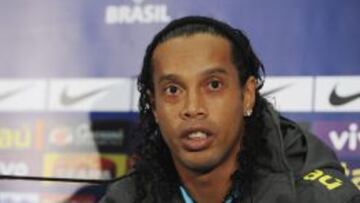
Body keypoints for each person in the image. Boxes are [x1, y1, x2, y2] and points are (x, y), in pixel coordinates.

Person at [100, 16, 360, 203]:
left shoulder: (317, 196)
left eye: (213, 85)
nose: (192, 108)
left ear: (247, 96)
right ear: (154, 106)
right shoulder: (126, 198)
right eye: (172, 90)